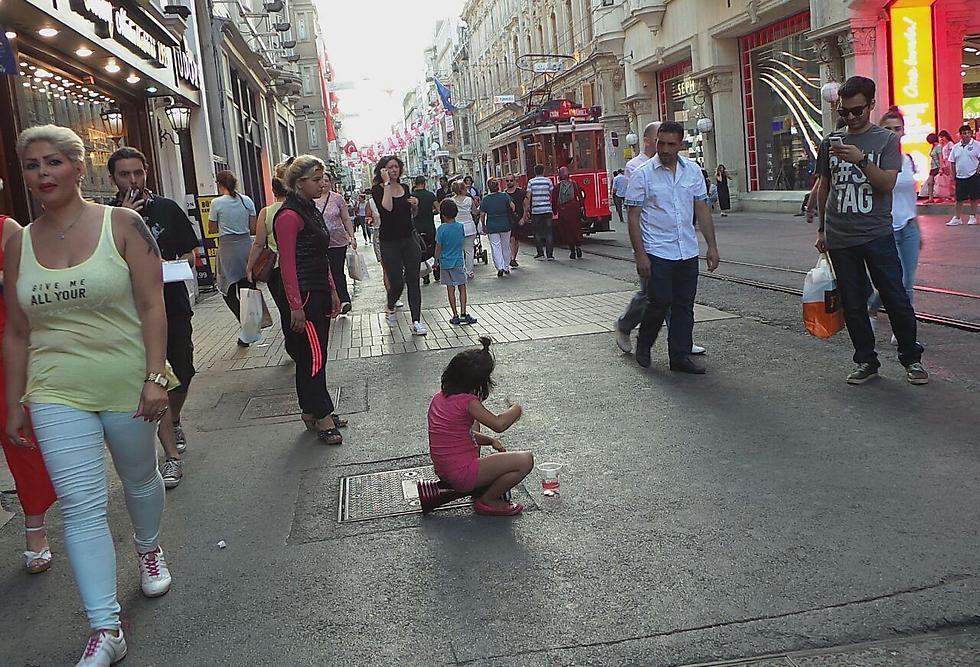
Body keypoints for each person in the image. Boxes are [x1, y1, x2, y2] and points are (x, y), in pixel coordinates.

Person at [7, 124, 173, 665]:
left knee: (139, 478)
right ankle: (106, 627)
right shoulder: (18, 244)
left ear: (79, 168)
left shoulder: (122, 224)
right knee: (81, 505)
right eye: (32, 166)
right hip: (56, 388)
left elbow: (153, 305)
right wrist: (14, 402)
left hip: (127, 381)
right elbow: (16, 331)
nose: (42, 174)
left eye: (52, 162)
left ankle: (149, 551)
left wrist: (155, 377)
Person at [814, 75, 927, 385]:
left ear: (871, 105)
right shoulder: (831, 141)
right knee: (853, 303)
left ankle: (911, 358)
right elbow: (825, 185)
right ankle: (866, 360)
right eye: (844, 112)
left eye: (857, 111)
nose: (851, 117)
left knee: (895, 298)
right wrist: (822, 229)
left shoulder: (887, 141)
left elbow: (887, 183)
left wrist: (861, 160)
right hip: (840, 235)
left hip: (877, 233)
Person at [107, 147, 199, 490]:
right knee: (152, 378)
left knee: (184, 370)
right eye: (124, 175)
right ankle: (169, 454)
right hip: (129, 311)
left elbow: (191, 253)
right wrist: (125, 219)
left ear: (147, 173)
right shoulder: (107, 216)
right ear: (113, 178)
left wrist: (174, 265)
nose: (133, 180)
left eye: (138, 173)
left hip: (171, 302)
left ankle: (173, 418)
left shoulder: (168, 209)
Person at [625, 121, 721, 374]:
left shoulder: (692, 171)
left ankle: (679, 356)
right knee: (659, 302)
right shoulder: (642, 174)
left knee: (684, 304)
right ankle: (644, 343)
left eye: (670, 144)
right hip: (657, 250)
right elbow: (633, 217)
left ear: (681, 145)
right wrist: (640, 255)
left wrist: (711, 246)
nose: (664, 149)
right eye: (660, 143)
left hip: (686, 250)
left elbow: (702, 209)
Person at [272, 155, 346, 444]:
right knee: (314, 356)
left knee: (311, 356)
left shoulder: (310, 210)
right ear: (300, 182)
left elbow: (320, 255)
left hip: (315, 289)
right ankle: (322, 413)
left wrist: (332, 290)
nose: (322, 183)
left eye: (322, 178)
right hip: (303, 293)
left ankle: (313, 410)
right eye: (316, 179)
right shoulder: (289, 215)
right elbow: (287, 264)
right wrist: (295, 306)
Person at [0, 212, 56, 573]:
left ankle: (34, 529)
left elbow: (32, 282)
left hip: (7, 344)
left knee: (20, 440)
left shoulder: (7, 228)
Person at [425, 337, 531, 516]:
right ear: (478, 383)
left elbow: (461, 435)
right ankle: (487, 500)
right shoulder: (469, 403)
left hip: (445, 470)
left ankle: (479, 487)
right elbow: (499, 424)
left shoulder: (439, 397)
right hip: (462, 474)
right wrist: (516, 409)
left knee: (473, 421)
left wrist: (489, 441)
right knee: (525, 460)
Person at [868, 107, 922, 347]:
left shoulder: (908, 159)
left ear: (903, 131)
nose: (893, 133)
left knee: (907, 282)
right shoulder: (874, 161)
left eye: (897, 129)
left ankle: (903, 331)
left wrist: (917, 226)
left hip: (909, 227)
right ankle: (872, 306)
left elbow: (911, 196)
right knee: (893, 282)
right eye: (887, 129)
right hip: (885, 228)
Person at [371, 156, 427, 335]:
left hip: (408, 239)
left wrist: (415, 205)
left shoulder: (404, 188)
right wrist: (387, 184)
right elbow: (386, 208)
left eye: (396, 167)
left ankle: (416, 321)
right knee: (396, 282)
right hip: (389, 241)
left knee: (413, 279)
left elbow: (410, 213)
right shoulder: (378, 189)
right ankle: (390, 306)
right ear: (383, 170)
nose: (393, 170)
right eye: (389, 167)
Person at [209, 170, 257, 346]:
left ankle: (244, 324)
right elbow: (253, 226)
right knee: (247, 290)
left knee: (227, 291)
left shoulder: (217, 203)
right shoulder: (247, 201)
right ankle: (250, 325)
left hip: (228, 248)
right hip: (246, 246)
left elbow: (212, 228)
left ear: (219, 185)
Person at [246, 162, 288, 300]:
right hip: (301, 264)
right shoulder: (299, 209)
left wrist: (250, 266)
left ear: (273, 190)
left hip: (276, 266)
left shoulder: (266, 212)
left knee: (284, 310)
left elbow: (258, 244)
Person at [315, 173, 356, 313]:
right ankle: (330, 302)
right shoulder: (312, 199)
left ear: (330, 182)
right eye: (321, 180)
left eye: (326, 180)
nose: (324, 183)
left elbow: (346, 219)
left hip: (338, 242)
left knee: (337, 270)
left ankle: (344, 299)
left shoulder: (337, 199)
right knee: (323, 272)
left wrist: (352, 236)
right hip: (319, 243)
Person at [435, 199, 476, 325]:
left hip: (445, 262)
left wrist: (436, 261)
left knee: (450, 288)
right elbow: (461, 242)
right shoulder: (460, 227)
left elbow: (438, 247)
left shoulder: (441, 229)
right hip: (458, 261)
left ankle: (455, 315)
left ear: (443, 214)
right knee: (462, 287)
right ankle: (464, 313)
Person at [479, 178, 516, 276]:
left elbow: (482, 214)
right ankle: (506, 266)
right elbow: (513, 206)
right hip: (505, 223)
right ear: (498, 186)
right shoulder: (505, 196)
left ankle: (500, 267)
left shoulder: (486, 199)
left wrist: (483, 225)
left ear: (489, 188)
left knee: (496, 247)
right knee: (506, 246)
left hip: (492, 225)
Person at [945, 124, 980, 226]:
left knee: (974, 197)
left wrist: (978, 170)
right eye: (964, 133)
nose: (967, 135)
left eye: (969, 133)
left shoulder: (977, 145)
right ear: (960, 135)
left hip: (973, 174)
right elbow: (952, 161)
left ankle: (973, 216)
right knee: (959, 198)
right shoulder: (956, 147)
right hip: (960, 176)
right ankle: (957, 217)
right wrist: (953, 175)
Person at [553, 166, 585, 259]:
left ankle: (572, 251)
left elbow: (554, 199)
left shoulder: (558, 186)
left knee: (567, 231)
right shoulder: (574, 184)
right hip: (574, 210)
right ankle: (578, 246)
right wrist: (582, 208)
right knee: (576, 229)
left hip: (563, 211)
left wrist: (554, 210)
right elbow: (580, 196)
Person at [411, 175, 438, 285]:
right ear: (424, 183)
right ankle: (436, 270)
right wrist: (432, 212)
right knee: (434, 248)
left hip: (416, 227)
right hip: (429, 226)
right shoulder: (430, 195)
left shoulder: (411, 196)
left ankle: (424, 275)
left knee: (419, 250)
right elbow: (438, 208)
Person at [450, 180, 479, 279]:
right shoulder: (469, 200)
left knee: (459, 251)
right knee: (469, 251)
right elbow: (475, 212)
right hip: (469, 227)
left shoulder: (451, 201)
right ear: (463, 189)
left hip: (456, 228)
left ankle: (461, 270)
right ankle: (469, 271)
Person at [527, 163, 555, 260]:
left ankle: (540, 253)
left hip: (536, 211)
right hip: (547, 210)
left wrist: (527, 209)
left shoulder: (531, 182)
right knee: (549, 232)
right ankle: (550, 254)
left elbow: (528, 196)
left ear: (535, 172)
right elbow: (552, 194)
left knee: (537, 232)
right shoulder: (548, 181)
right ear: (543, 171)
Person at [504, 173, 529, 267]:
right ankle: (512, 258)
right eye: (507, 181)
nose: (509, 182)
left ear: (514, 181)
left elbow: (526, 206)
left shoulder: (521, 193)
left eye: (511, 180)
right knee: (511, 239)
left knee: (516, 239)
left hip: (518, 218)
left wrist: (524, 218)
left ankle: (513, 257)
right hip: (508, 219)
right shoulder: (504, 194)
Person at [923, 133, 942, 204]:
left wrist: (941, 168)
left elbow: (940, 157)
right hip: (933, 166)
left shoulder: (938, 146)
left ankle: (932, 198)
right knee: (930, 183)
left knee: (931, 182)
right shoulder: (934, 146)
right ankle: (930, 198)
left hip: (937, 167)